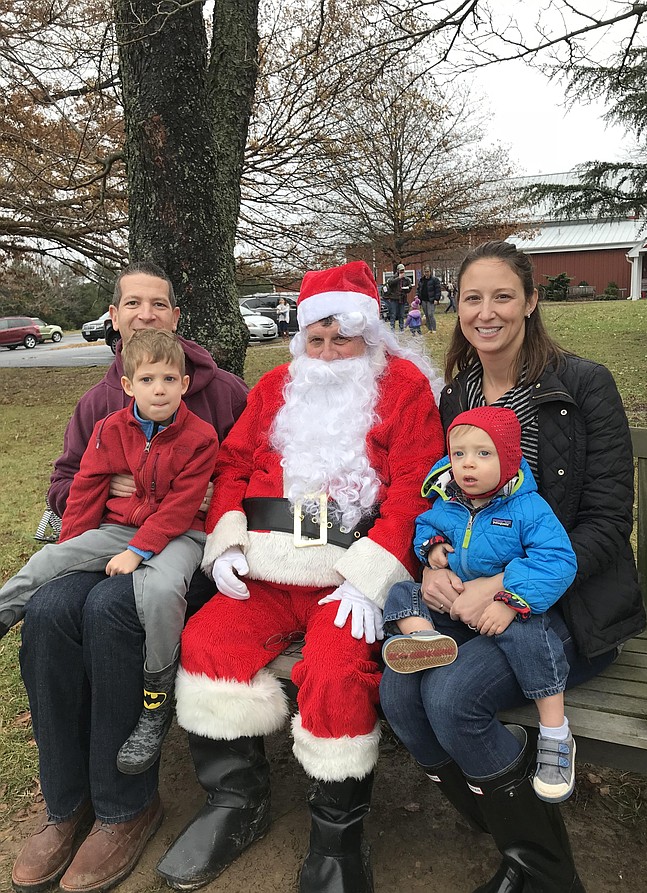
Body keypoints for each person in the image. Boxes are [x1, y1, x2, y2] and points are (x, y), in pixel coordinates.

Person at [154, 260, 445, 893]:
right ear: (301, 339)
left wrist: (372, 576)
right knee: (207, 642)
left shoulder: (403, 391)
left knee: (338, 673)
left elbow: (416, 493)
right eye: (317, 339)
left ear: (369, 335)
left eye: (343, 338)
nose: (329, 352)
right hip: (267, 566)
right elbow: (232, 466)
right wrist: (227, 541)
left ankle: (336, 840)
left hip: (347, 571)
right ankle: (236, 803)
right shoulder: (274, 388)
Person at [379, 240, 646, 892]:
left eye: (503, 295)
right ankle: (499, 810)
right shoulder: (459, 394)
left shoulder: (582, 386)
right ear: (456, 306)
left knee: (451, 695)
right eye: (473, 297)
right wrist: (435, 558)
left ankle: (541, 868)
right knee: (397, 693)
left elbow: (609, 524)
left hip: (566, 605)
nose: (486, 311)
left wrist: (503, 583)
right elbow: (447, 502)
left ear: (530, 301)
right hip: (473, 600)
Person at [11, 262, 248, 893]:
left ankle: (125, 803)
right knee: (52, 609)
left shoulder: (219, 392)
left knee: (111, 609)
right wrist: (103, 496)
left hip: (185, 552)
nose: (146, 313)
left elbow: (248, 471)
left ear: (176, 315)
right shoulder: (100, 401)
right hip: (109, 536)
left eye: (159, 303)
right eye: (132, 304)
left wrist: (188, 498)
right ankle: (67, 800)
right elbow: (66, 481)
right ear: (114, 318)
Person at [0, 330, 219, 774]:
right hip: (119, 527)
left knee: (159, 592)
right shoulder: (109, 429)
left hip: (182, 536)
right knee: (47, 562)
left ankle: (156, 698)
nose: (159, 389)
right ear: (127, 384)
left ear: (183, 384)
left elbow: (180, 508)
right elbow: (85, 489)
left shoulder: (201, 437)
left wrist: (140, 552)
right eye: (147, 379)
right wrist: (72, 545)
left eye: (169, 379)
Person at [382, 405, 579, 802]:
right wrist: (432, 549)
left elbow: (557, 560)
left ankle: (556, 733)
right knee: (402, 593)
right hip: (454, 609)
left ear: (507, 459)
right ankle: (423, 642)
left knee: (529, 637)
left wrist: (509, 599)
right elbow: (427, 526)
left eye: (483, 454)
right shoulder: (449, 501)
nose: (468, 464)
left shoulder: (527, 508)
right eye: (459, 454)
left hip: (507, 606)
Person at [385, 262, 412, 331]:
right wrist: (398, 278)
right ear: (398, 270)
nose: (402, 272)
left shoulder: (406, 279)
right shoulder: (393, 278)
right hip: (394, 299)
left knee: (401, 315)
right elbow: (390, 283)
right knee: (393, 315)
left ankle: (401, 329)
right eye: (401, 270)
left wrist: (407, 288)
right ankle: (392, 329)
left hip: (402, 299)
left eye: (403, 270)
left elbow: (409, 288)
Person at [417, 264, 441, 333]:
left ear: (430, 272)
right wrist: (418, 299)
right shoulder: (422, 280)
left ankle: (434, 329)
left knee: (431, 314)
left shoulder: (435, 280)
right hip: (423, 300)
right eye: (425, 272)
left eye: (427, 271)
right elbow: (418, 290)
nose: (426, 273)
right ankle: (429, 329)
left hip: (431, 300)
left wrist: (437, 299)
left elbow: (438, 290)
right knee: (426, 315)